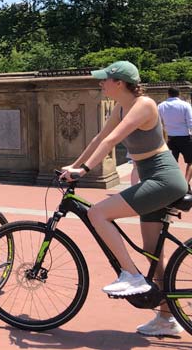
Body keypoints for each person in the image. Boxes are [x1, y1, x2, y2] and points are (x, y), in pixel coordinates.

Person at [61, 61, 188, 336]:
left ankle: (131, 275)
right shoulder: (121, 107)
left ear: (119, 83)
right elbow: (99, 138)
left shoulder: (144, 105)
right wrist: (73, 165)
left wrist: (84, 170)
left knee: (97, 213)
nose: (100, 84)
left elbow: (112, 141)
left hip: (163, 180)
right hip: (151, 179)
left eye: (104, 80)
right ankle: (167, 318)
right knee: (153, 253)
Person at [158, 87, 192, 183]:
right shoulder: (185, 105)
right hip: (185, 137)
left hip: (170, 138)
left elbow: (158, 123)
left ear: (168, 94)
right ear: (179, 94)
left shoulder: (161, 106)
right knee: (190, 162)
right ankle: (186, 183)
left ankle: (176, 183)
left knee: (172, 164)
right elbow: (190, 123)